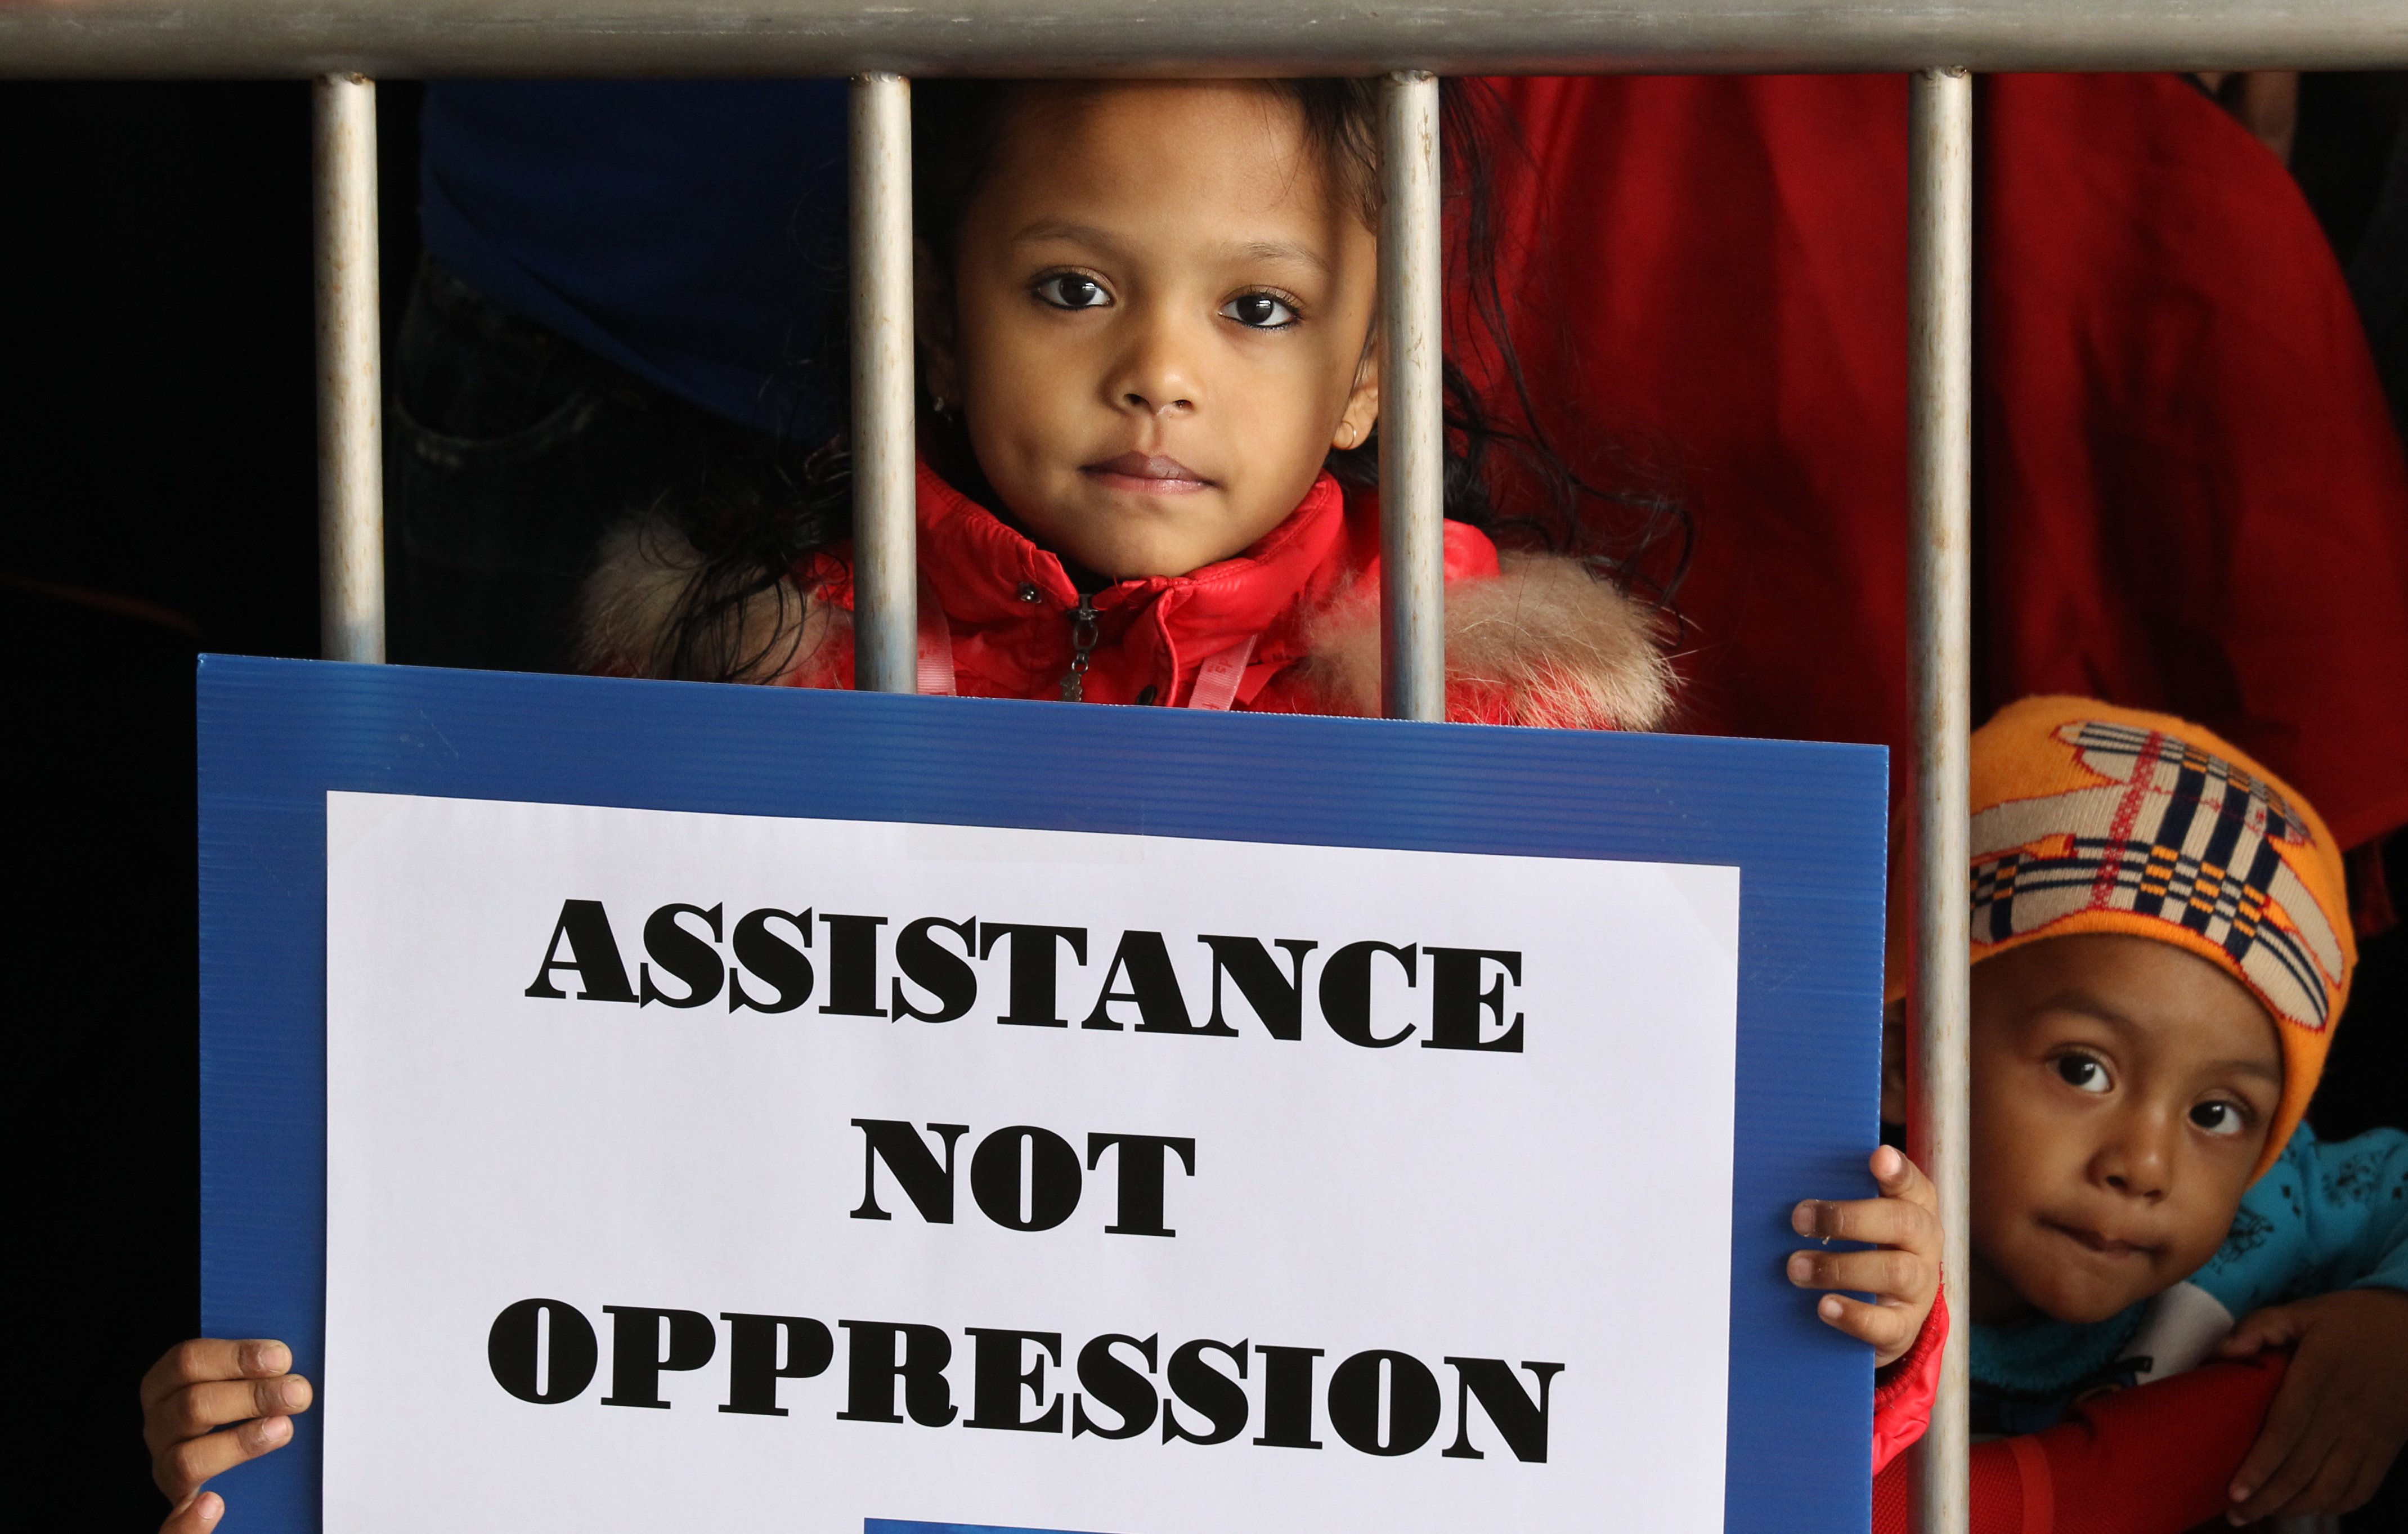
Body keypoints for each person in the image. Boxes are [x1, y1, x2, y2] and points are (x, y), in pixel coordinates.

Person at [139, 77, 1944, 1532]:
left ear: (1370, 378)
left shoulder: (1508, 738)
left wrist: (1871, 1318)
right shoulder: (738, 696)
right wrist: (318, 1388)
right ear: (930, 315)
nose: (1159, 365)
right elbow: (545, 1212)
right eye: (1074, 285)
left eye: (1259, 306)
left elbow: (1611, 1317)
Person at [1869, 697, 2408, 1526]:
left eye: (2219, 1115)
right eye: (2084, 1069)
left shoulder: (2277, 1210)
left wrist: (2392, 1321)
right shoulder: (1850, 1231)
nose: (2145, 1165)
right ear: (1910, 1055)